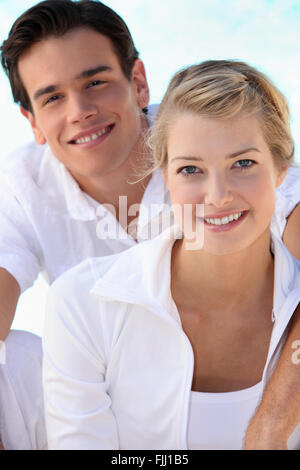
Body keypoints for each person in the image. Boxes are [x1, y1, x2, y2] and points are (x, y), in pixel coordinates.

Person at [0, 0, 299, 450]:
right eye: (53, 97)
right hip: (93, 380)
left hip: (246, 386)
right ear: (32, 122)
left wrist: (269, 431)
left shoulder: (219, 136)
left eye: (96, 82)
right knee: (13, 360)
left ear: (138, 82)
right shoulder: (22, 185)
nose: (80, 110)